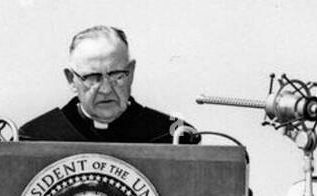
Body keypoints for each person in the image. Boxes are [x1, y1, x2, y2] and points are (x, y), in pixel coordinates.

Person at [19, 25, 197, 143]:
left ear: (131, 72)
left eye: (116, 75)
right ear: (70, 79)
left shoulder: (173, 135)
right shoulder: (35, 137)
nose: (105, 89)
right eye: (92, 77)